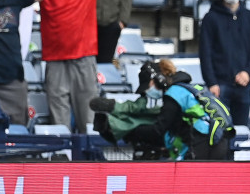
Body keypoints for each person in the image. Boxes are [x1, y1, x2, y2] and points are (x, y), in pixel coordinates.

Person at [34, 0, 128, 133]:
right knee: (59, 122)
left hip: (84, 59)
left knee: (89, 119)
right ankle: (61, 160)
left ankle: (90, 163)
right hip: (55, 61)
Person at [93, 59, 234, 160]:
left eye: (147, 86)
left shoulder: (173, 94)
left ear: (158, 80)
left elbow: (158, 129)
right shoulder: (185, 89)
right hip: (216, 142)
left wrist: (132, 132)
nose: (148, 91)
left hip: (204, 145)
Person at [199, 0, 250, 127]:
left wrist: (248, 72)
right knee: (220, 130)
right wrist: (211, 82)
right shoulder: (210, 18)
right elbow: (205, 53)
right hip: (220, 86)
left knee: (241, 131)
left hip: (243, 86)